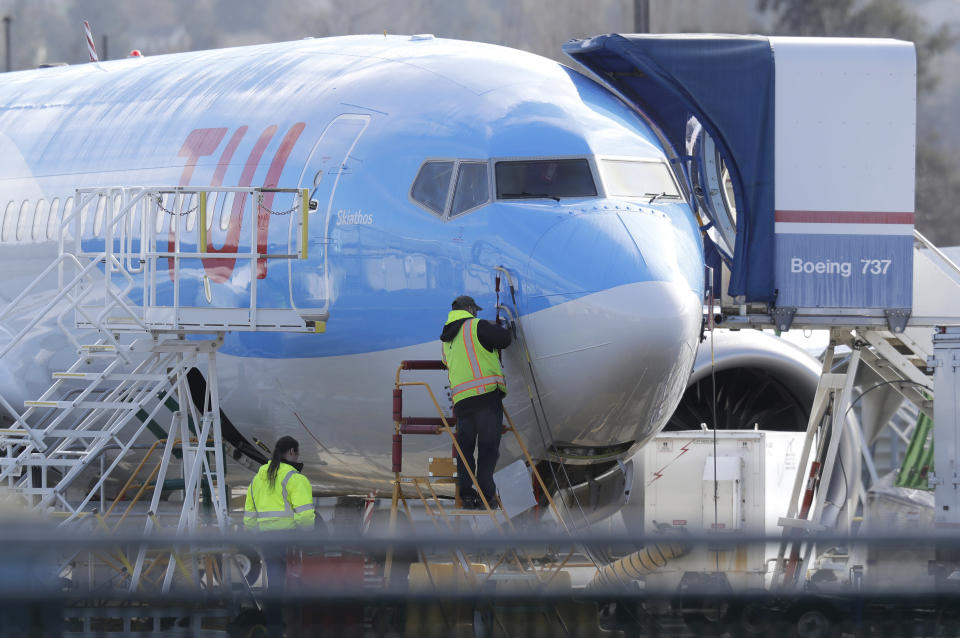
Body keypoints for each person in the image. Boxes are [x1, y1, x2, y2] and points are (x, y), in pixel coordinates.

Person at [440, 295, 512, 510]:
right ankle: (486, 494)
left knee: (465, 450)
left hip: (461, 402)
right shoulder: (475, 326)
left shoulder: (446, 338)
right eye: (476, 310)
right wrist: (502, 327)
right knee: (489, 448)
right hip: (486, 398)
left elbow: (447, 362)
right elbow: (504, 340)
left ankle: (467, 495)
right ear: (470, 308)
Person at [243, 436, 315, 637]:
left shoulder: (258, 478)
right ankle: (294, 627)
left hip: (267, 539)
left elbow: (249, 515)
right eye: (297, 452)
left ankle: (273, 626)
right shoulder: (294, 479)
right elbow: (306, 515)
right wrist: (307, 534)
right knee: (296, 582)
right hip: (289, 537)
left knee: (274, 582)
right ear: (292, 452)